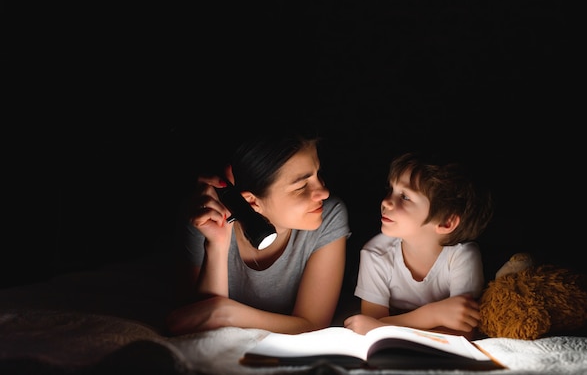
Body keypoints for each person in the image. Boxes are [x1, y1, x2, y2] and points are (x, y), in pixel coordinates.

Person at [166, 129, 351, 335]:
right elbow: (193, 323)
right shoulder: (204, 217)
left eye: (319, 175)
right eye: (301, 186)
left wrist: (227, 314)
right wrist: (217, 245)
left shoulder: (329, 215)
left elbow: (312, 325)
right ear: (252, 201)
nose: (324, 192)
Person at [344, 151, 494, 338]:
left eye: (405, 197)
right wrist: (433, 315)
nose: (386, 201)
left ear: (446, 223)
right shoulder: (375, 254)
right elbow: (371, 326)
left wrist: (384, 325)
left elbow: (462, 333)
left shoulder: (462, 255)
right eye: (391, 189)